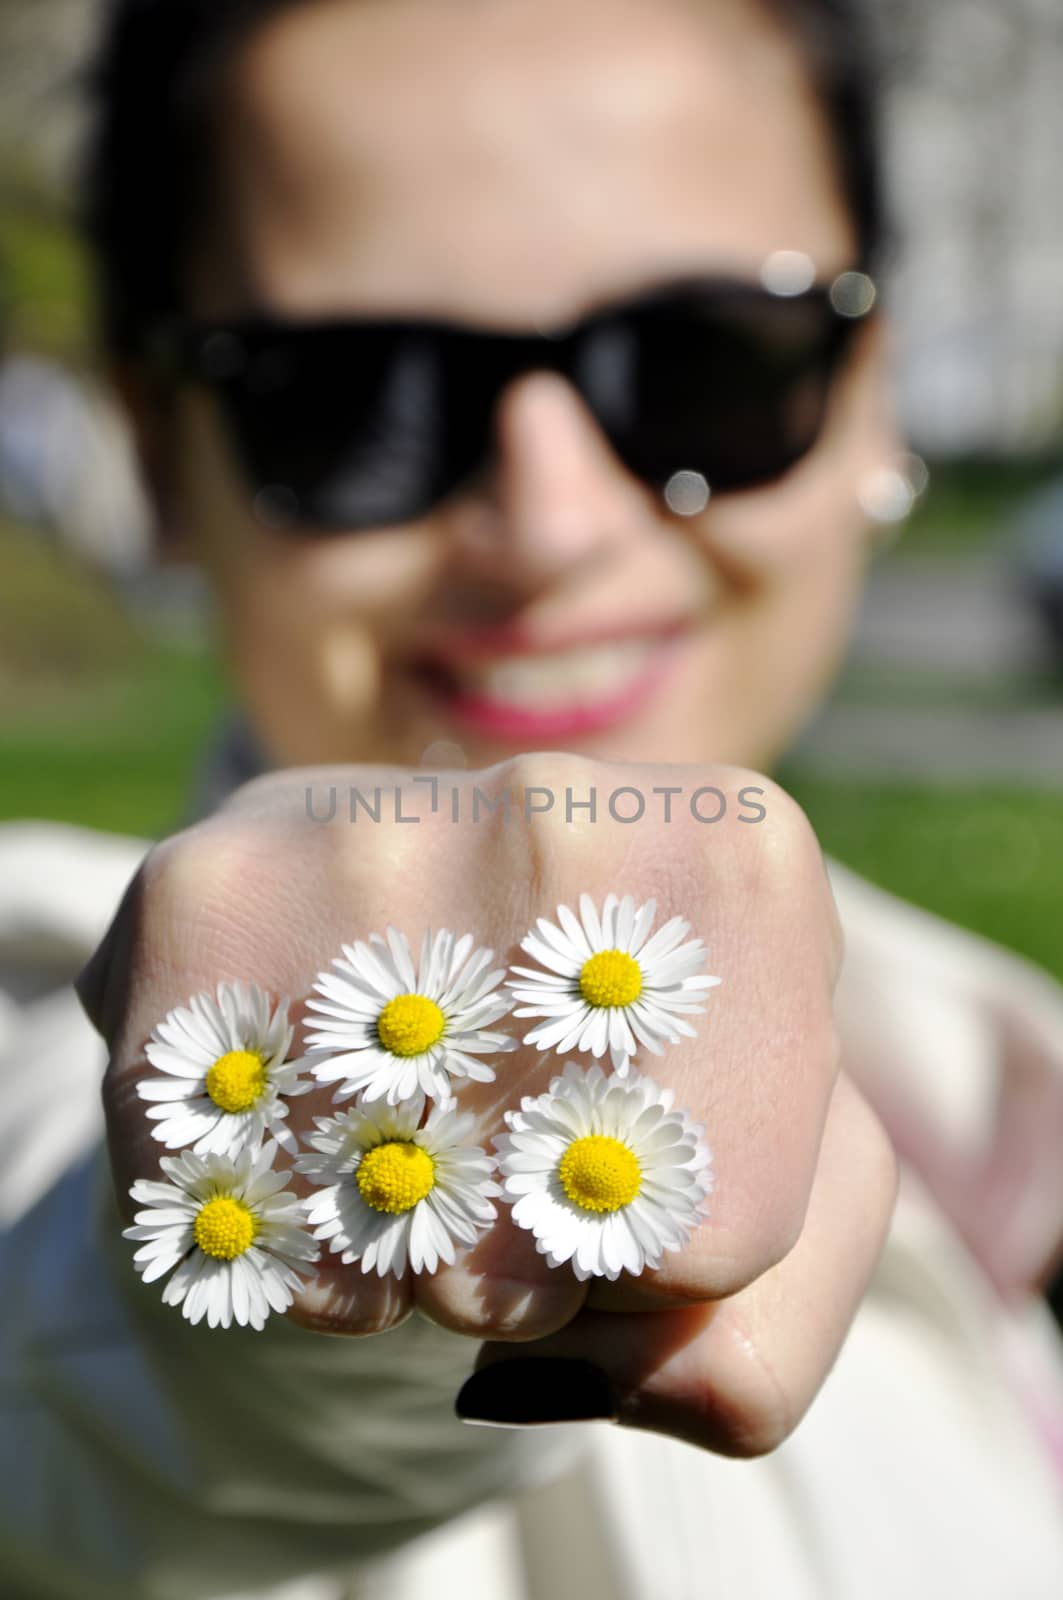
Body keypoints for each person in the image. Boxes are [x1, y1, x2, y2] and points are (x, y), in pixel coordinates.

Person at [2, 0, 1063, 1596]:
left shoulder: (997, 1092)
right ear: (160, 455)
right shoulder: (39, 1007)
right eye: (350, 394)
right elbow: (111, 1398)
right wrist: (343, 1212)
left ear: (870, 404)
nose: (551, 520)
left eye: (710, 363)